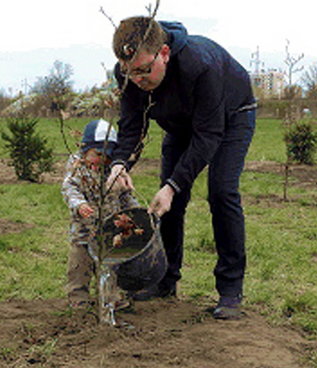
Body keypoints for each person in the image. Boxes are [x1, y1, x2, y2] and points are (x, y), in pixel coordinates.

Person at [107, 17, 256, 320]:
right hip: (179, 124)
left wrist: (174, 184)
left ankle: (230, 291)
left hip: (230, 118)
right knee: (168, 205)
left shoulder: (200, 65)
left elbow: (209, 135)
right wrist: (120, 164)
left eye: (143, 70)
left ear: (164, 53)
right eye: (128, 71)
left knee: (221, 192)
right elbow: (132, 126)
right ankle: (165, 280)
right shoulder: (129, 74)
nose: (136, 79)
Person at [62, 119, 139, 308]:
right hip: (83, 230)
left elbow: (125, 195)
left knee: (110, 264)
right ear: (84, 148)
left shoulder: (113, 171)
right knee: (80, 264)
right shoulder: (76, 167)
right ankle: (78, 298)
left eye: (107, 156)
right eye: (97, 154)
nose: (101, 160)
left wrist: (135, 213)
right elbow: (69, 187)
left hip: (109, 229)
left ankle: (110, 298)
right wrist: (79, 204)